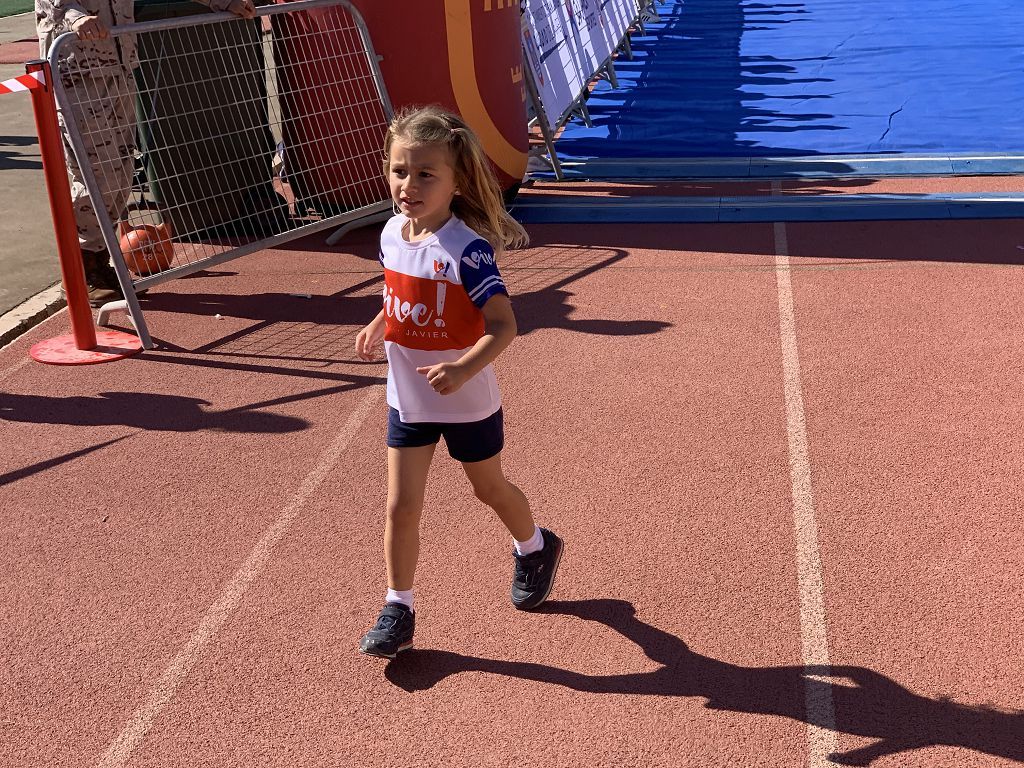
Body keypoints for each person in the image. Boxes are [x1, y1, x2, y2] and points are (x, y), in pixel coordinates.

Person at [354, 106, 564, 659]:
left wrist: (464, 368)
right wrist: (382, 320)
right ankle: (398, 605)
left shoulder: (466, 250)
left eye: (426, 174)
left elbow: (504, 326)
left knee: (487, 489)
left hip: (466, 401)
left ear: (456, 182)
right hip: (409, 400)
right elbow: (398, 288)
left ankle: (535, 546)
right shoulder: (391, 233)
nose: (408, 185)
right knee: (401, 506)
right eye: (400, 171)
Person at [36, 0, 255, 306]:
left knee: (121, 171)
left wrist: (222, 2)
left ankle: (99, 261)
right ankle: (80, 269)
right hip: (76, 67)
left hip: (120, 62)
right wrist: (77, 19)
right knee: (94, 171)